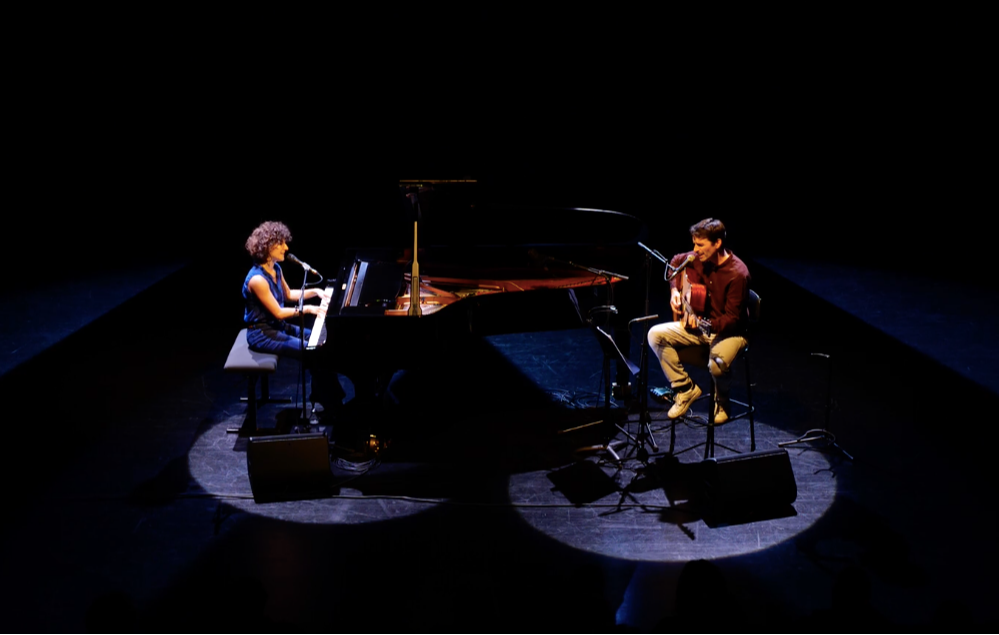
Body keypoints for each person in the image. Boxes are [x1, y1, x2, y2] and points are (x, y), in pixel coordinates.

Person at [647, 218, 750, 423]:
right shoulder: (696, 258)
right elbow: (675, 262)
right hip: (702, 326)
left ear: (717, 243)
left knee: (717, 365)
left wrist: (704, 324)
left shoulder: (738, 274)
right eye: (694, 244)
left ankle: (721, 401)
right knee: (655, 335)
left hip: (730, 332)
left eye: (700, 245)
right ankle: (685, 388)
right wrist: (675, 290)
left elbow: (732, 319)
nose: (695, 249)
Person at [242, 220, 343, 417]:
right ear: (268, 246)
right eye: (281, 243)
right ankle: (332, 405)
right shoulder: (257, 280)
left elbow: (288, 295)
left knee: (321, 341)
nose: (286, 247)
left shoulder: (275, 269)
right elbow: (279, 312)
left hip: (277, 327)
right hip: (262, 333)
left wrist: (316, 292)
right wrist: (310, 309)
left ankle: (328, 399)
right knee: (312, 351)